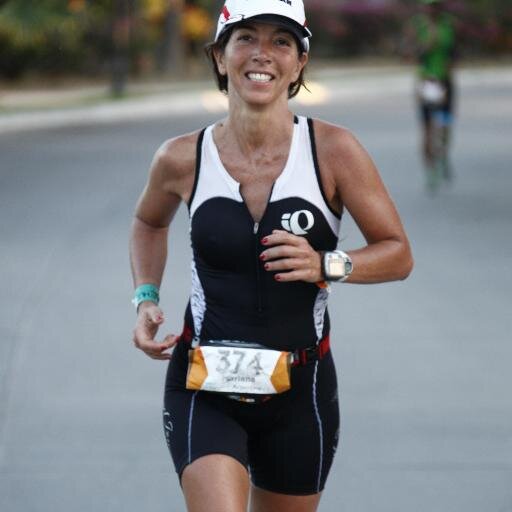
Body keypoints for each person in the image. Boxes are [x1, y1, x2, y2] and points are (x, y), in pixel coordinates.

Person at [130, 0, 413, 510]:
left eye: (281, 41)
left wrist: (327, 264)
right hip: (203, 384)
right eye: (246, 39)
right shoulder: (180, 157)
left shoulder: (334, 151)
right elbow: (149, 221)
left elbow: (397, 254)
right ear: (220, 56)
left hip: (301, 390)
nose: (262, 54)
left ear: (300, 62)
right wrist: (145, 297)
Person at [405, 0, 457, 186]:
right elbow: (410, 54)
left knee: (445, 124)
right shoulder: (418, 26)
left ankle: (443, 155)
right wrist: (427, 43)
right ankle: (430, 169)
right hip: (426, 81)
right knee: (427, 127)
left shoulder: (448, 24)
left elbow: (454, 52)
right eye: (429, 5)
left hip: (445, 81)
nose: (432, 9)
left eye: (435, 5)